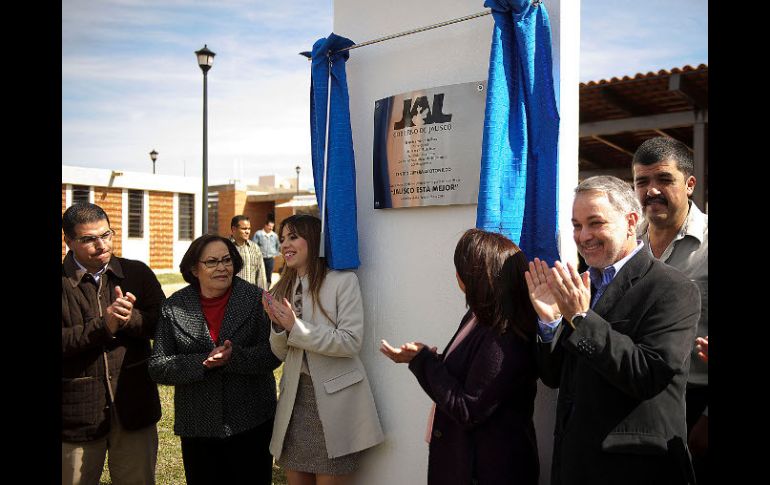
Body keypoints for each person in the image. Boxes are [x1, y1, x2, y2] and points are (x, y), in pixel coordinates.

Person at [526, 176, 700, 485]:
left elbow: (647, 374)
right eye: (577, 225)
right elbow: (555, 378)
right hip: (575, 466)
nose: (584, 236)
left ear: (631, 221)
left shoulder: (673, 289)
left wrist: (581, 318)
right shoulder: (581, 286)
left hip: (635, 471)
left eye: (595, 223)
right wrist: (551, 321)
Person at [380, 228, 540, 485]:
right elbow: (472, 375)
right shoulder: (480, 317)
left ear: (475, 278)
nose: (456, 273)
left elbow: (468, 406)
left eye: (461, 267)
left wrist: (424, 362)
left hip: (487, 470)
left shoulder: (504, 334)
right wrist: (421, 358)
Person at [148, 234, 281, 485]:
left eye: (227, 260)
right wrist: (201, 362)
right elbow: (158, 366)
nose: (222, 267)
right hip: (198, 425)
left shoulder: (256, 300)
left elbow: (273, 354)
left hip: (251, 421)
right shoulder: (174, 306)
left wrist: (235, 357)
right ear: (193, 269)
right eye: (211, 262)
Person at [263, 214, 384, 484]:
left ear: (314, 240)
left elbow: (350, 341)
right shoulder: (283, 285)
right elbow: (281, 353)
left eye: (293, 237)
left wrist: (297, 328)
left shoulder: (343, 281)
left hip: (335, 404)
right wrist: (279, 327)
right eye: (282, 239)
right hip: (295, 401)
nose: (285, 245)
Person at [62, 202, 164, 485]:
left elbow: (163, 325)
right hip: (77, 416)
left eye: (106, 234)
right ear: (68, 241)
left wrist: (131, 319)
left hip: (134, 405)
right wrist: (102, 327)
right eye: (89, 239)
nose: (101, 244)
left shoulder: (137, 273)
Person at [631, 136, 709, 482]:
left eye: (664, 179)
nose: (651, 191)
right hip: (639, 403)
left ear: (689, 184)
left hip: (697, 404)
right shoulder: (628, 244)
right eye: (642, 181)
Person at [230, 215, 267, 289]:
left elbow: (261, 276)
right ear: (234, 229)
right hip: (232, 297)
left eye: (249, 229)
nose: (247, 231)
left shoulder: (255, 248)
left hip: (252, 297)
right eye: (244, 229)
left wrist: (265, 298)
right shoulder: (226, 247)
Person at [253, 214, 281, 288]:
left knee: (268, 276)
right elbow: (254, 246)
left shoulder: (275, 235)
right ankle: (259, 291)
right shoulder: (258, 234)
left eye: (272, 227)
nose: (271, 228)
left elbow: (278, 246)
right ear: (265, 225)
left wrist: (276, 254)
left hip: (270, 259)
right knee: (260, 276)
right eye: (270, 226)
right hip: (260, 259)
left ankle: (266, 292)